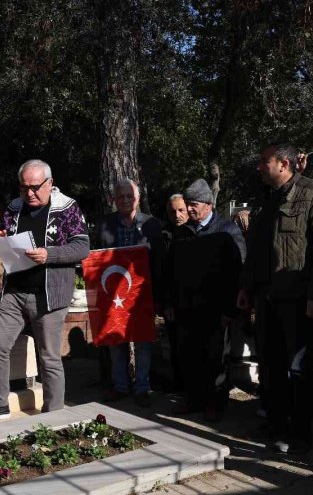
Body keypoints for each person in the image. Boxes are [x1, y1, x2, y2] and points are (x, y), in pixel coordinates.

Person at [238, 143, 313, 454]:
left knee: (298, 367)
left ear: (284, 164)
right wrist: (246, 287)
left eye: (263, 161)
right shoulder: (268, 201)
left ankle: (299, 433)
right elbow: (257, 252)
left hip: (297, 299)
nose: (259, 167)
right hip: (267, 298)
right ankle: (276, 423)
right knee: (270, 365)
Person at [0, 159, 89, 424]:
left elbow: (82, 248)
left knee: (48, 357)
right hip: (14, 291)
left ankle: (53, 415)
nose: (30, 193)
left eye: (36, 187)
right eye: (24, 188)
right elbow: (5, 241)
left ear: (50, 183)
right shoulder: (13, 207)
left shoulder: (68, 208)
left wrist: (50, 254)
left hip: (50, 294)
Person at [165, 179, 245, 421]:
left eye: (194, 204)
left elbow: (238, 272)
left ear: (209, 204)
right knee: (189, 356)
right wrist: (170, 303)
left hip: (216, 310)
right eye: (187, 204)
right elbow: (170, 271)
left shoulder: (226, 231)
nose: (189, 209)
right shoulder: (182, 233)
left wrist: (229, 310)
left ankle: (215, 403)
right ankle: (193, 399)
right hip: (187, 308)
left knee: (216, 358)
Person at [98, 179, 164, 406]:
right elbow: (98, 259)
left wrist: (158, 296)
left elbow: (159, 262)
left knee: (143, 341)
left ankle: (143, 388)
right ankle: (120, 386)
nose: (125, 200)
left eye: (130, 196)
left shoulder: (153, 225)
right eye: (121, 197)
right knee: (116, 342)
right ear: (114, 200)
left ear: (137, 198)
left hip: (142, 294)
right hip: (113, 295)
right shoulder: (105, 224)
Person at [162, 193, 188, 389]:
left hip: (194, 300)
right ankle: (179, 385)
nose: (177, 215)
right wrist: (167, 302)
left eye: (181, 210)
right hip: (173, 301)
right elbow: (163, 272)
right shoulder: (164, 236)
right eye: (173, 211)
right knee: (176, 346)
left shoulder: (195, 233)